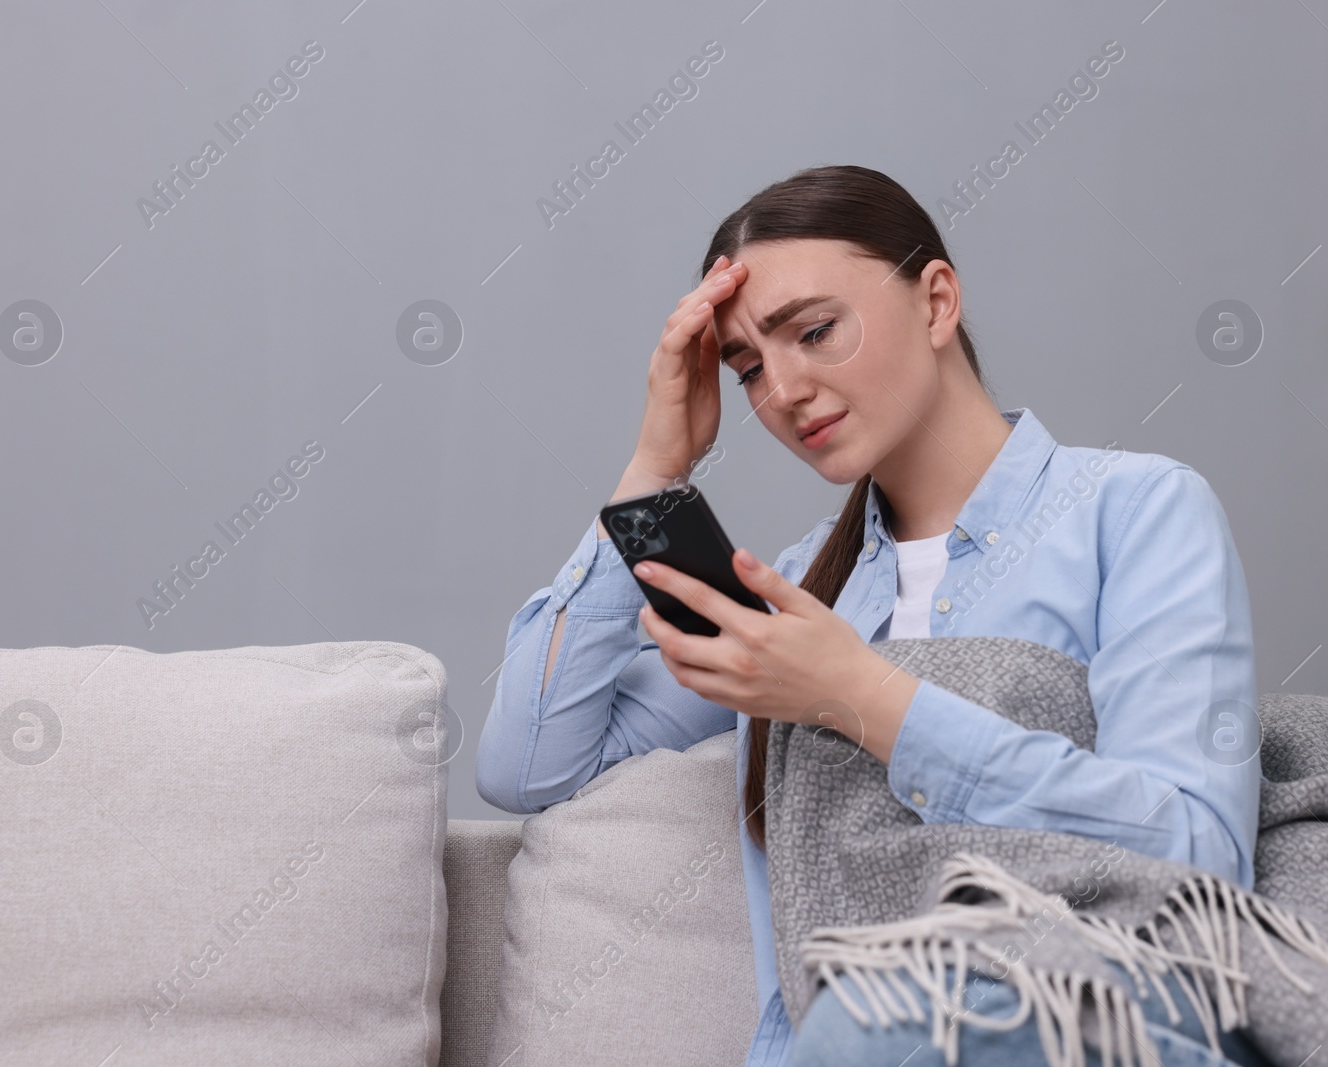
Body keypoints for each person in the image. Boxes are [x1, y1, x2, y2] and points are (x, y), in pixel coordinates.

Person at [475, 164, 1269, 1066]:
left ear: (936, 302)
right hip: (846, 1041)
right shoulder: (800, 590)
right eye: (747, 368)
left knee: (883, 1018)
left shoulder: (1133, 510)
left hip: (1087, 1023)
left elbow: (1200, 858)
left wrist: (859, 695)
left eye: (814, 332)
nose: (782, 390)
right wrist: (656, 469)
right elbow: (529, 761)